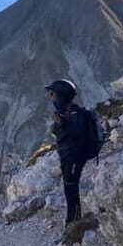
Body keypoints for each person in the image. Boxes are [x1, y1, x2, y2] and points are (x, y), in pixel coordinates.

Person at [45, 78, 89, 231]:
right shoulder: (63, 112)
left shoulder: (74, 111)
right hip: (67, 157)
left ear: (60, 95)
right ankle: (72, 224)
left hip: (74, 157)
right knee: (69, 190)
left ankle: (73, 226)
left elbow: (77, 133)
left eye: (52, 93)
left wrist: (61, 124)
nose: (50, 96)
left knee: (71, 190)